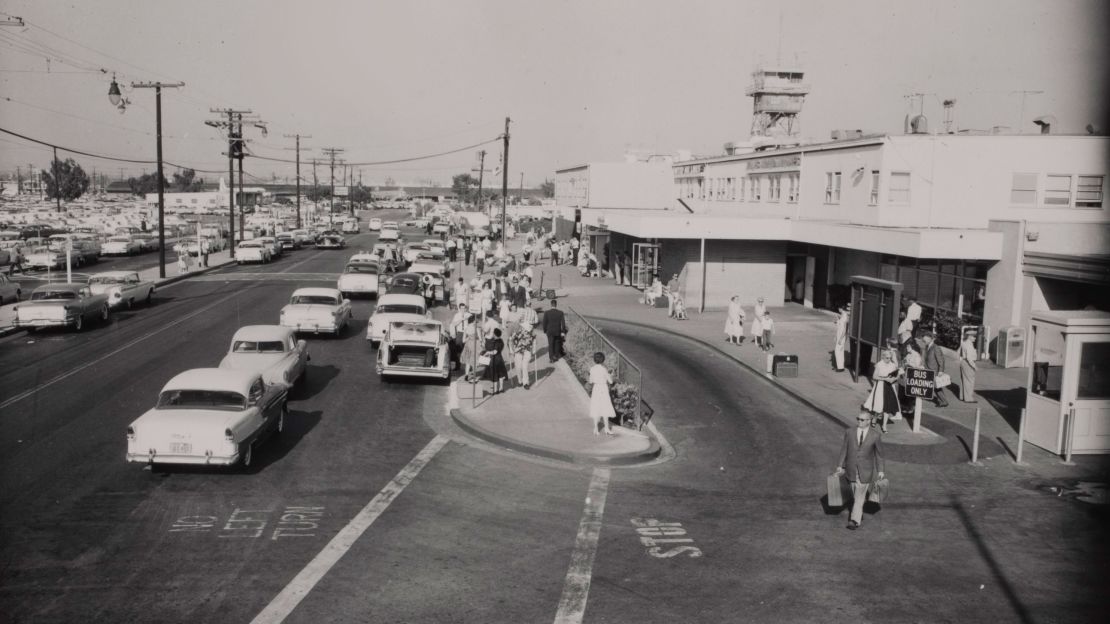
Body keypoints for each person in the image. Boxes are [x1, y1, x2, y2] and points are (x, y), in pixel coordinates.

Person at [834, 410, 886, 530]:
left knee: (859, 496)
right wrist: (840, 465)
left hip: (866, 471)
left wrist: (881, 470)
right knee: (854, 494)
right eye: (858, 419)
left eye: (862, 420)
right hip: (851, 468)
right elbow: (844, 449)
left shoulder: (875, 436)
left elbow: (879, 455)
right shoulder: (849, 432)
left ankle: (854, 520)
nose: (859, 421)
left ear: (869, 421)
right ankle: (858, 512)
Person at [863, 348, 902, 432]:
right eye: (887, 358)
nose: (889, 360)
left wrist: (894, 379)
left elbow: (897, 375)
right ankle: (874, 418)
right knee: (879, 405)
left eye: (890, 358)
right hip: (880, 386)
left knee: (887, 407)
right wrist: (885, 379)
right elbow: (874, 376)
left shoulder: (892, 365)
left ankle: (884, 426)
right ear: (883, 357)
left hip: (890, 387)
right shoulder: (879, 364)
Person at [588, 352, 616, 435]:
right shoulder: (604, 369)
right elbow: (610, 382)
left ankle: (596, 429)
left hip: (596, 388)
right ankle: (607, 428)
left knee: (596, 407)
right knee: (605, 407)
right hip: (603, 388)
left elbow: (590, 381)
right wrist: (611, 375)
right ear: (603, 360)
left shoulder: (592, 369)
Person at [922, 331, 949, 407]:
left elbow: (941, 360)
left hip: (934, 371)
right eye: (924, 339)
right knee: (935, 386)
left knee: (937, 386)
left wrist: (941, 371)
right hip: (929, 370)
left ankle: (944, 401)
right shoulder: (927, 347)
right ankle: (942, 401)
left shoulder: (936, 347)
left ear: (931, 339)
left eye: (926, 339)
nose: (924, 341)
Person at [509, 317, 535, 389]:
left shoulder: (531, 333)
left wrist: (534, 349)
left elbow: (534, 341)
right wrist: (511, 349)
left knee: (525, 366)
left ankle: (526, 382)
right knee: (518, 367)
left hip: (527, 350)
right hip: (518, 350)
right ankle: (520, 380)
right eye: (525, 328)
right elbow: (510, 340)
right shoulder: (517, 333)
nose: (527, 330)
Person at [482, 328, 508, 394]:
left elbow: (495, 352)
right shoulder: (501, 341)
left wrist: (488, 352)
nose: (492, 334)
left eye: (493, 333)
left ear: (495, 334)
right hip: (500, 359)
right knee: (501, 374)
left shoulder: (496, 342)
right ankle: (501, 388)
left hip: (494, 360)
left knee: (495, 374)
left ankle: (496, 390)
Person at [958, 331, 978, 402]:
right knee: (970, 381)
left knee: (963, 380)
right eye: (974, 336)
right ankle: (969, 398)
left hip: (963, 362)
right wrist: (974, 366)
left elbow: (958, 352)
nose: (975, 338)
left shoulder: (963, 343)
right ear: (969, 336)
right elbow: (969, 357)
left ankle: (962, 396)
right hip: (968, 363)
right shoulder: (969, 345)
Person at [460, 315, 481, 379]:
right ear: (474, 321)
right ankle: (474, 375)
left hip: (468, 345)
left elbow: (463, 341)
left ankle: (466, 375)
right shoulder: (476, 328)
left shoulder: (466, 328)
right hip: (475, 345)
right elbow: (480, 338)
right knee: (475, 360)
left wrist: (469, 337)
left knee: (468, 361)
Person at [833, 305, 849, 371]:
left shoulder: (845, 317)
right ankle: (840, 366)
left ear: (841, 308)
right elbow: (840, 326)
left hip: (841, 336)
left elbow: (845, 329)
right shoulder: (842, 315)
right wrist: (837, 320)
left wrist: (840, 338)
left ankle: (840, 367)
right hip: (839, 335)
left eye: (839, 308)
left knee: (837, 351)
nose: (838, 309)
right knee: (840, 351)